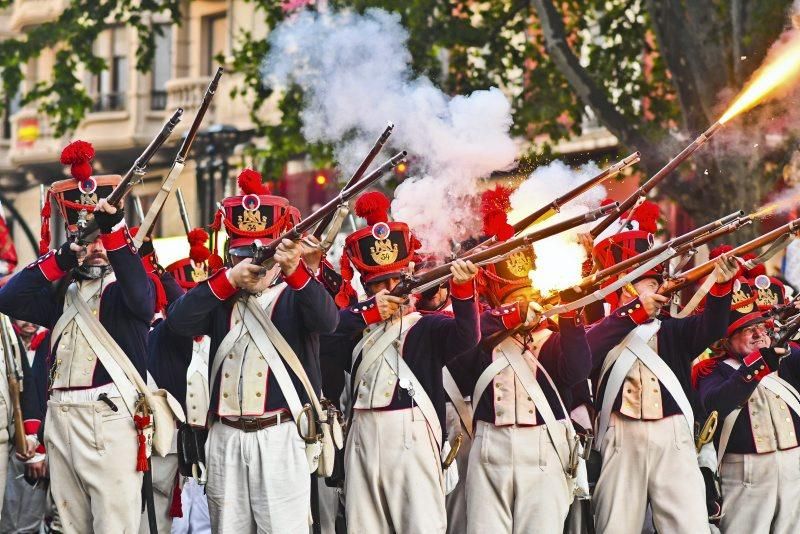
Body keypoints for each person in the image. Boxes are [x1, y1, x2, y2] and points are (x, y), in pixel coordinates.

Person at [163, 169, 339, 533]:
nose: (254, 263)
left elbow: (328, 322)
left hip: (280, 436)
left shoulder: (296, 293)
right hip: (225, 436)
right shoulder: (220, 295)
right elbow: (177, 323)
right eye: (242, 253)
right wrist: (226, 281)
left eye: (262, 252)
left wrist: (295, 269)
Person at [0, 140, 156, 532]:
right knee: (68, 525)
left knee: (113, 525)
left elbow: (143, 295)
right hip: (61, 421)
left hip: (109, 419)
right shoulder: (63, 296)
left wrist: (114, 230)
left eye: (103, 242)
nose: (97, 249)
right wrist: (63, 257)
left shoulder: (125, 289)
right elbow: (8, 297)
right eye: (90, 241)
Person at [330, 191, 480, 534]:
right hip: (362, 438)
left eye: (394, 283)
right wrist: (366, 312)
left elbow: (466, 338)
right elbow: (324, 337)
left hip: (413, 437)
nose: (388, 291)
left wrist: (462, 290)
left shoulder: (426, 326)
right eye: (378, 285)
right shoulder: (354, 326)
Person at [585, 202, 739, 534]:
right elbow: (584, 353)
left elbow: (711, 330)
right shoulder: (603, 327)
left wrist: (722, 286)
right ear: (624, 288)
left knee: (690, 526)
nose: (659, 291)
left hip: (674, 437)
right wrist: (632, 314)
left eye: (658, 283)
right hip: (620, 436)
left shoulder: (674, 329)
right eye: (649, 284)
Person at [694, 281, 800, 533]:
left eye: (761, 327)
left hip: (794, 467)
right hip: (745, 473)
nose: (758, 334)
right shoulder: (713, 372)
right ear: (725, 340)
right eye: (747, 329)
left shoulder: (786, 360)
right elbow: (718, 402)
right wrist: (758, 364)